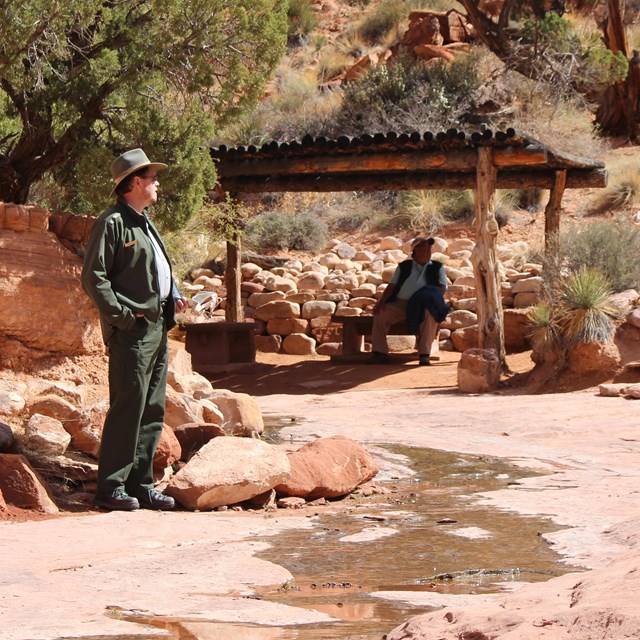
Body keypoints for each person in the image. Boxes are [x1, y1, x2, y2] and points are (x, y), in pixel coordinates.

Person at [81, 148, 188, 511]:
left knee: (152, 408)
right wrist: (123, 317)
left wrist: (173, 294)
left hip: (157, 327)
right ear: (135, 182)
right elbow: (93, 277)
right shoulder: (112, 222)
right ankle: (110, 488)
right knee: (128, 406)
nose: (158, 183)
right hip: (133, 331)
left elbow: (156, 269)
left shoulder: (143, 221)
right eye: (152, 178)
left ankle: (141, 484)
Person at [367, 236, 449, 366]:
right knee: (381, 314)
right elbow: (392, 286)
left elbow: (442, 287)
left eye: (429, 250)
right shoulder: (404, 267)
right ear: (415, 251)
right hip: (401, 304)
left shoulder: (437, 267)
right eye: (423, 250)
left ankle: (424, 354)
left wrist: (429, 296)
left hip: (424, 304)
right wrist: (381, 303)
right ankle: (380, 352)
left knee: (431, 315)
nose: (427, 252)